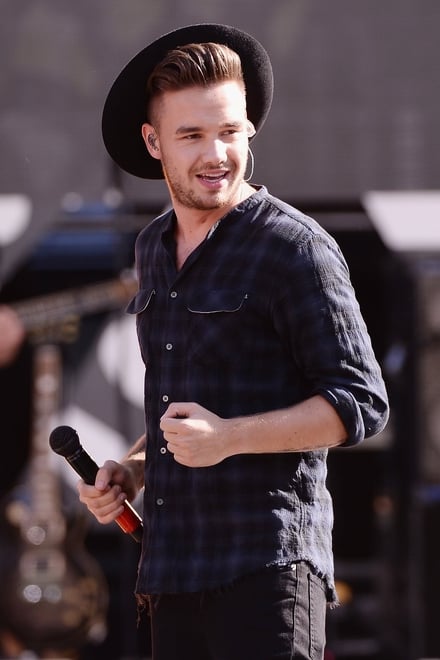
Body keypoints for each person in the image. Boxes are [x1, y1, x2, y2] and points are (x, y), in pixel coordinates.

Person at [77, 23, 389, 660]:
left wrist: (229, 438)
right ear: (153, 142)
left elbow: (362, 403)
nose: (216, 153)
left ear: (249, 130)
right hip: (170, 573)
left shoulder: (295, 248)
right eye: (191, 135)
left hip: (268, 572)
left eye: (229, 131)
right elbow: (181, 408)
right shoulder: (152, 248)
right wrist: (133, 470)